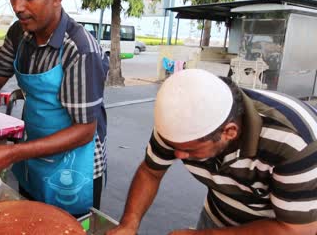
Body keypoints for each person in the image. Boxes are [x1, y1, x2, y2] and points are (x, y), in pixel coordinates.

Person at [0, 0, 109, 217]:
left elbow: (85, 131)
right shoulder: (19, 33)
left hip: (76, 166)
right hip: (32, 157)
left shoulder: (80, 48)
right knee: (29, 222)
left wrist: (13, 152)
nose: (17, 6)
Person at [108, 69, 317, 234]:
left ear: (229, 132)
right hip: (217, 217)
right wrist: (129, 223)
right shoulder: (177, 127)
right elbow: (150, 172)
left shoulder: (295, 141)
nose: (179, 155)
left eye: (189, 150)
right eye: (174, 147)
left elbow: (298, 229)